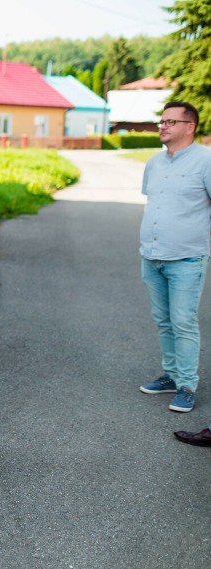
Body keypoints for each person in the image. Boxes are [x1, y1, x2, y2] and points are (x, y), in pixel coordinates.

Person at [138, 101, 211, 414]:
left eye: (170, 122)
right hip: (152, 257)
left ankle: (186, 385)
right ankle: (170, 375)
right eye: (161, 121)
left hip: (186, 259)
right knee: (164, 321)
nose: (162, 126)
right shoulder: (154, 163)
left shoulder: (206, 161)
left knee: (183, 322)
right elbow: (153, 204)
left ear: (189, 126)